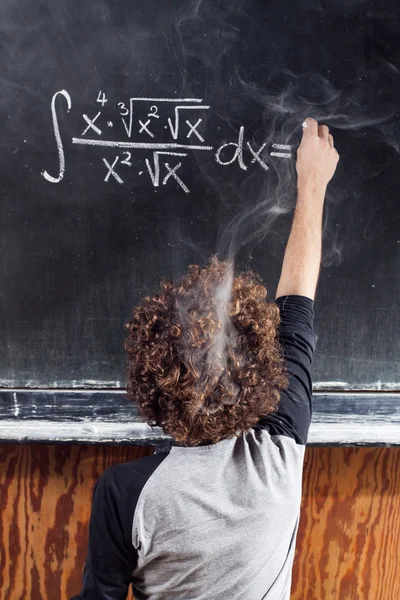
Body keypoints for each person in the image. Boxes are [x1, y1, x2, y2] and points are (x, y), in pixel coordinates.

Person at [71, 117, 340, 600]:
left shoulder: (125, 493)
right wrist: (312, 186)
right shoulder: (279, 451)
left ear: (151, 383)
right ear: (260, 368)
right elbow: (297, 306)